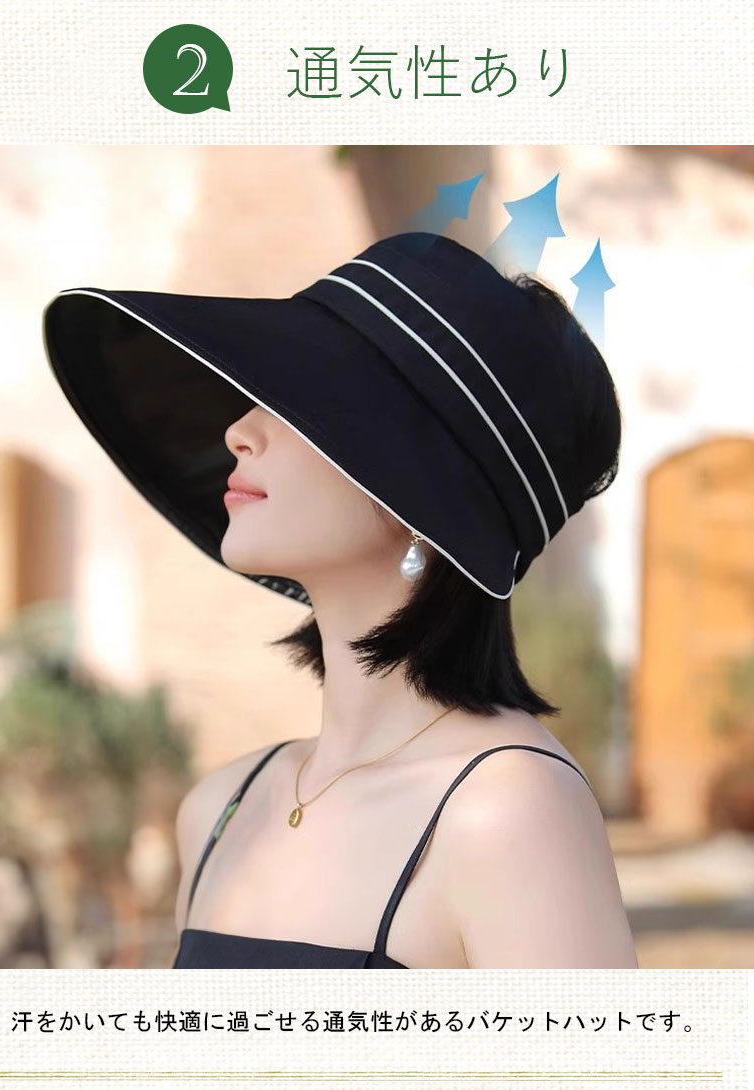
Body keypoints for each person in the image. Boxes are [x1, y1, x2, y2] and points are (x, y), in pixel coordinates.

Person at [43, 230, 639, 969]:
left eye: (300, 403)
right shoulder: (221, 809)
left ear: (427, 493)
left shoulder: (509, 810)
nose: (239, 431)